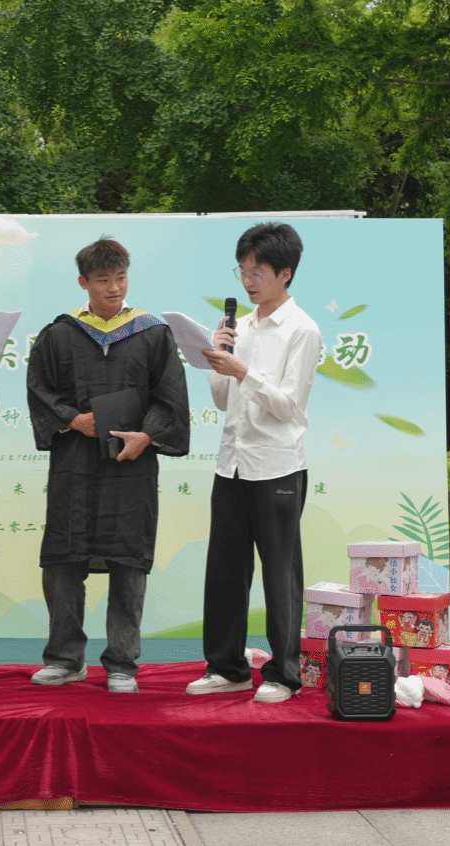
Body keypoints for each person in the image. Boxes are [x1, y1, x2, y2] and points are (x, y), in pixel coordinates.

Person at [26, 237, 190, 694]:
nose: (114, 288)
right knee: (64, 558)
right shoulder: (60, 333)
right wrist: (72, 419)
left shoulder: (151, 333)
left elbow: (171, 396)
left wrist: (148, 435)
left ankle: (121, 663)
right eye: (103, 280)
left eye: (120, 278)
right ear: (83, 282)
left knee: (128, 559)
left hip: (130, 464)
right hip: (75, 463)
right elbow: (40, 389)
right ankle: (65, 659)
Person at [186, 222, 322, 704]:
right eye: (242, 271)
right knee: (224, 569)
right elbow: (225, 400)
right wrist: (218, 359)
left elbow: (289, 406)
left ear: (285, 274)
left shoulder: (302, 329)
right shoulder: (240, 327)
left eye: (258, 271)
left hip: (277, 466)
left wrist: (244, 370)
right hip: (232, 463)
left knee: (280, 573)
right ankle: (227, 668)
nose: (248, 281)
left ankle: (284, 674)